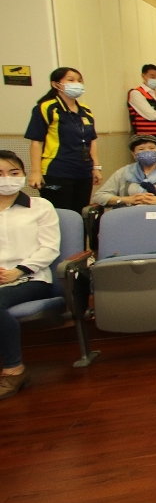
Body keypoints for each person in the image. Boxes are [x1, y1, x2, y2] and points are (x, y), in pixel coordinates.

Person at [0, 151, 60, 399]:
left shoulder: (40, 206)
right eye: (0, 174)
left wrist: (19, 270)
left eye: (13, 172)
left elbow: (50, 248)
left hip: (32, 278)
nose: (7, 178)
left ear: (23, 175)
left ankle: (14, 369)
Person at [25, 67, 100, 212]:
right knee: (60, 214)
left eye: (79, 81)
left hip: (83, 171)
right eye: (71, 80)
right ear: (56, 84)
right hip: (57, 170)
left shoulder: (85, 110)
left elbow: (92, 140)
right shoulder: (46, 108)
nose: (76, 84)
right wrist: (35, 172)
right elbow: (36, 142)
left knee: (79, 214)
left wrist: (96, 167)